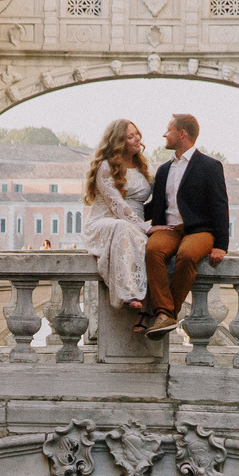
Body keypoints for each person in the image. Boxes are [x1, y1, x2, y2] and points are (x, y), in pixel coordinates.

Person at [141, 112, 230, 334]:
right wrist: (122, 214)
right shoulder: (163, 169)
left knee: (188, 254)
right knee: (152, 250)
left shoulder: (210, 166)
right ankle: (165, 313)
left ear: (182, 133)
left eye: (168, 130)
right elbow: (155, 206)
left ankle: (166, 314)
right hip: (169, 228)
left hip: (200, 230)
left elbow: (220, 205)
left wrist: (221, 245)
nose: (164, 134)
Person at [80, 118, 152, 324]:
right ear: (119, 141)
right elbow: (117, 206)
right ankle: (126, 292)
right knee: (123, 227)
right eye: (130, 136)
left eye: (137, 133)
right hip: (105, 222)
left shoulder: (143, 167)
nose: (137, 138)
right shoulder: (105, 167)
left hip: (133, 223)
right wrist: (145, 227)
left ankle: (147, 309)